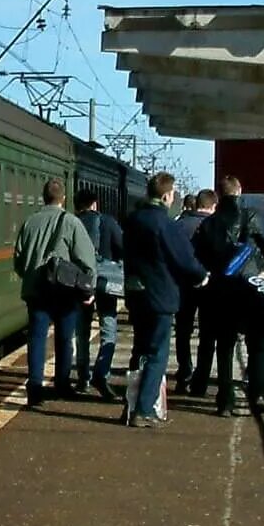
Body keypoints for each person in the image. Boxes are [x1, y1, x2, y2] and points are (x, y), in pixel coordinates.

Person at [119, 171, 207, 426]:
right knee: (157, 354)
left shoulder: (133, 220)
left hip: (136, 294)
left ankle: (131, 404)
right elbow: (183, 259)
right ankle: (144, 410)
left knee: (139, 351)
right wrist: (201, 276)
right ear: (168, 195)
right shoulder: (165, 224)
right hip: (160, 296)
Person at [191, 175, 264, 416]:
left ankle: (225, 399)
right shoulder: (251, 216)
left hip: (219, 291)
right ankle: (256, 393)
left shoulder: (209, 223)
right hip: (249, 290)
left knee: (224, 346)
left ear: (218, 195)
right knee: (256, 343)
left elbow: (198, 255)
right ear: (239, 191)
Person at [12, 177, 94, 406]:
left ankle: (35, 387)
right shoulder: (71, 222)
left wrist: (29, 276)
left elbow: (18, 259)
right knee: (64, 339)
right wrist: (89, 289)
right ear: (63, 199)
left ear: (43, 197)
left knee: (37, 339)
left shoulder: (30, 222)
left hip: (36, 291)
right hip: (64, 292)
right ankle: (62, 384)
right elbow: (86, 259)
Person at [73, 187, 125, 402]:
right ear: (95, 204)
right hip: (105, 284)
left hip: (80, 283)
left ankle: (82, 378)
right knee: (108, 329)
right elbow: (121, 247)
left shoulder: (72, 223)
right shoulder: (108, 222)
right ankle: (101, 374)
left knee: (82, 332)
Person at [173, 188, 216, 393]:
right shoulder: (215, 226)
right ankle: (201, 379)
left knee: (183, 331)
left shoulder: (179, 225)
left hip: (183, 285)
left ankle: (184, 371)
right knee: (207, 334)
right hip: (209, 287)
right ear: (212, 206)